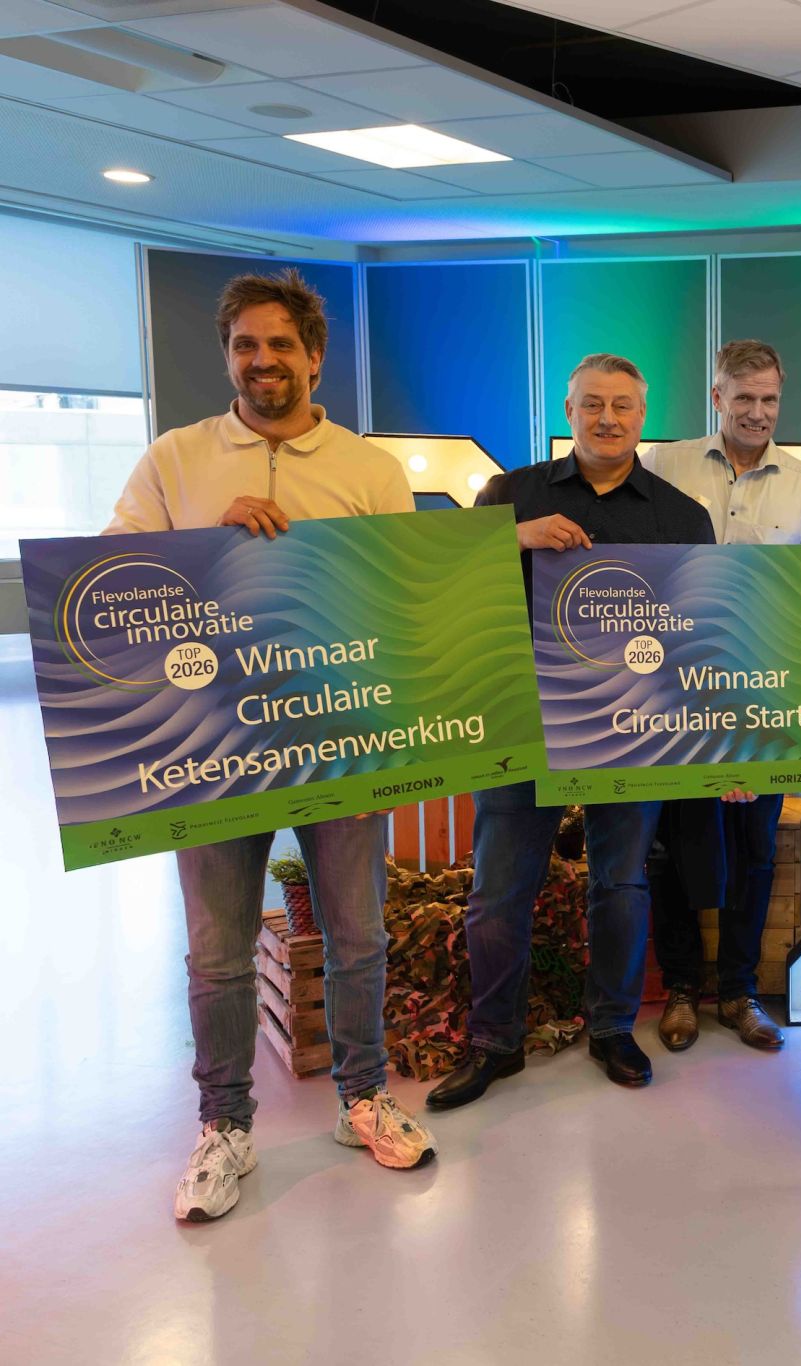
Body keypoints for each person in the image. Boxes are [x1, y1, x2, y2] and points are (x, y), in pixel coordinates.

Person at [105, 268, 434, 1222]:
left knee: (358, 935)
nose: (262, 360)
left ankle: (363, 1100)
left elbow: (404, 599)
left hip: (340, 738)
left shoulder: (369, 470)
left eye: (280, 344)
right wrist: (206, 544)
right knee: (217, 951)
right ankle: (225, 1127)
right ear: (227, 357)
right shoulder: (174, 459)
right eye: (245, 345)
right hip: (213, 742)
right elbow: (112, 583)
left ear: (314, 357)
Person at [428, 353, 715, 1110]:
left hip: (632, 729)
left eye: (622, 405)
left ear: (643, 417)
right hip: (523, 724)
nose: (607, 418)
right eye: (592, 403)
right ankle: (495, 1042)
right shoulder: (510, 494)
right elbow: (446, 585)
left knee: (620, 885)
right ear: (569, 411)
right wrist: (513, 539)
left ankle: (612, 1028)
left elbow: (701, 636)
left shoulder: (682, 516)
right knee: (498, 893)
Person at [643, 340, 801, 1054]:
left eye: (769, 399)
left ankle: (739, 990)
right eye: (743, 397)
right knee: (672, 850)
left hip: (763, 697)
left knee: (756, 851)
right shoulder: (663, 466)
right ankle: (681, 989)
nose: (758, 412)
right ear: (716, 395)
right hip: (672, 693)